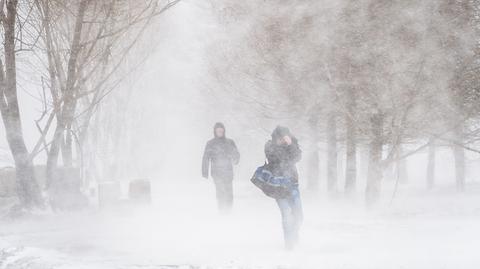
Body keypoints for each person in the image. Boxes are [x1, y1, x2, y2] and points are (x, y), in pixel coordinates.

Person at [265, 126, 303, 250]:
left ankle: (294, 234)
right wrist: (281, 146)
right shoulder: (269, 145)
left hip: (293, 183)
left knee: (299, 214)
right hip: (278, 185)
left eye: (285, 136)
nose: (283, 139)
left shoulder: (293, 143)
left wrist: (290, 144)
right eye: (280, 137)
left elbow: (297, 157)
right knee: (286, 213)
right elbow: (275, 159)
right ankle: (289, 245)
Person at [202, 122, 240, 213]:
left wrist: (235, 159)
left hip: (228, 172)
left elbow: (236, 154)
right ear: (215, 131)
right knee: (220, 192)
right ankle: (222, 211)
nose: (220, 132)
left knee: (229, 193)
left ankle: (228, 211)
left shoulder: (230, 142)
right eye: (218, 130)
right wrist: (205, 171)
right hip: (216, 173)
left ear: (224, 131)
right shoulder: (210, 143)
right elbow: (205, 158)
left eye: (221, 130)